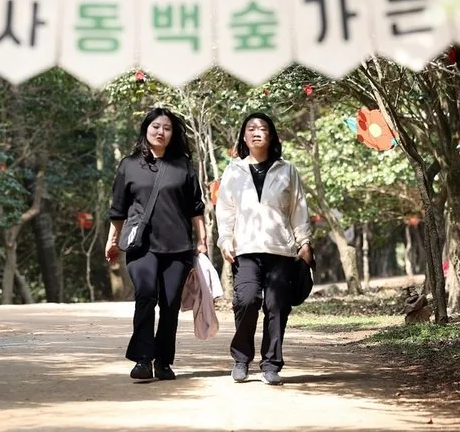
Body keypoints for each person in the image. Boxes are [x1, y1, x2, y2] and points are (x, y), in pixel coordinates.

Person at [106, 107, 207, 381]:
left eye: (167, 128)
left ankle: (163, 362)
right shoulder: (129, 165)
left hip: (178, 247)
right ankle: (143, 360)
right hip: (142, 245)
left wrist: (202, 240)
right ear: (146, 129)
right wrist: (112, 240)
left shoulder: (183, 166)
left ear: (173, 134)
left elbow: (196, 207)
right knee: (146, 294)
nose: (161, 132)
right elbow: (118, 208)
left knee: (170, 304)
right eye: (156, 127)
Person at [215, 112, 313, 385]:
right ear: (244, 137)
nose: (257, 132)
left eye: (262, 128)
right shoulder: (234, 171)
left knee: (277, 306)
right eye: (251, 128)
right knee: (246, 300)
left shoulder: (287, 169)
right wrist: (225, 240)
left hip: (281, 249)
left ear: (271, 135)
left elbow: (298, 209)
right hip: (245, 248)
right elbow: (225, 209)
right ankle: (241, 359)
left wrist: (305, 242)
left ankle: (271, 364)